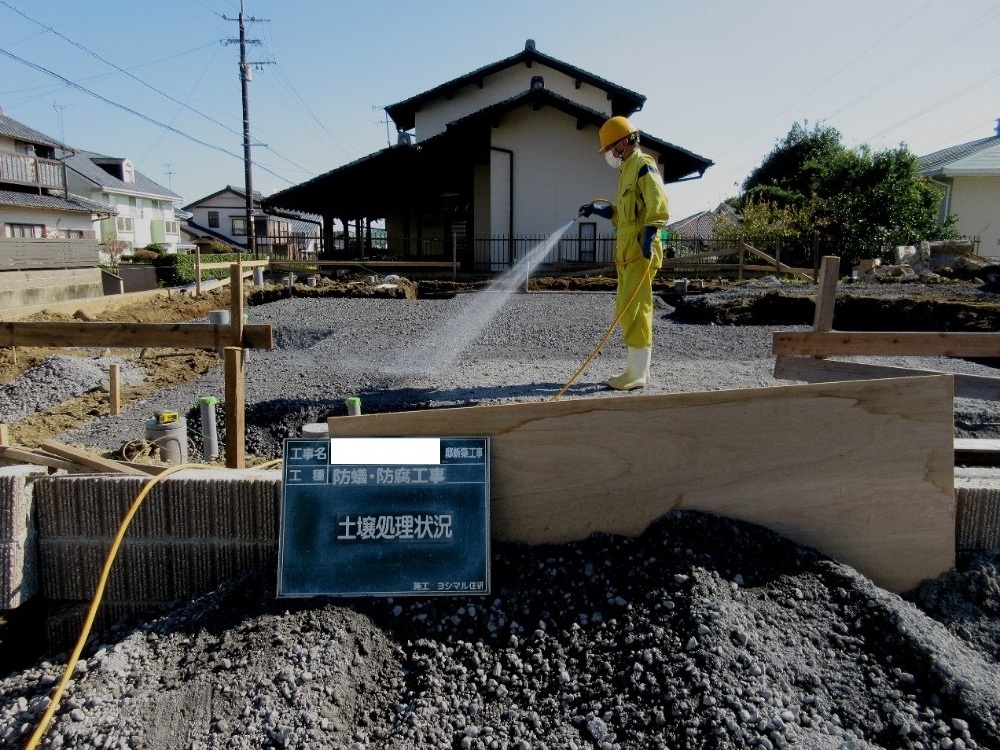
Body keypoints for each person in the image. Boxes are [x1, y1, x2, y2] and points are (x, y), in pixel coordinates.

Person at [579, 115, 670, 390]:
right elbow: (621, 216)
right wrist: (597, 210)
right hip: (627, 251)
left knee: (637, 308)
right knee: (626, 307)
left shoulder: (643, 166)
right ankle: (636, 369)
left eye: (609, 149)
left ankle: (638, 374)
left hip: (640, 251)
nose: (608, 154)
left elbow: (659, 204)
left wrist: (650, 235)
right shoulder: (627, 170)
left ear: (623, 142)